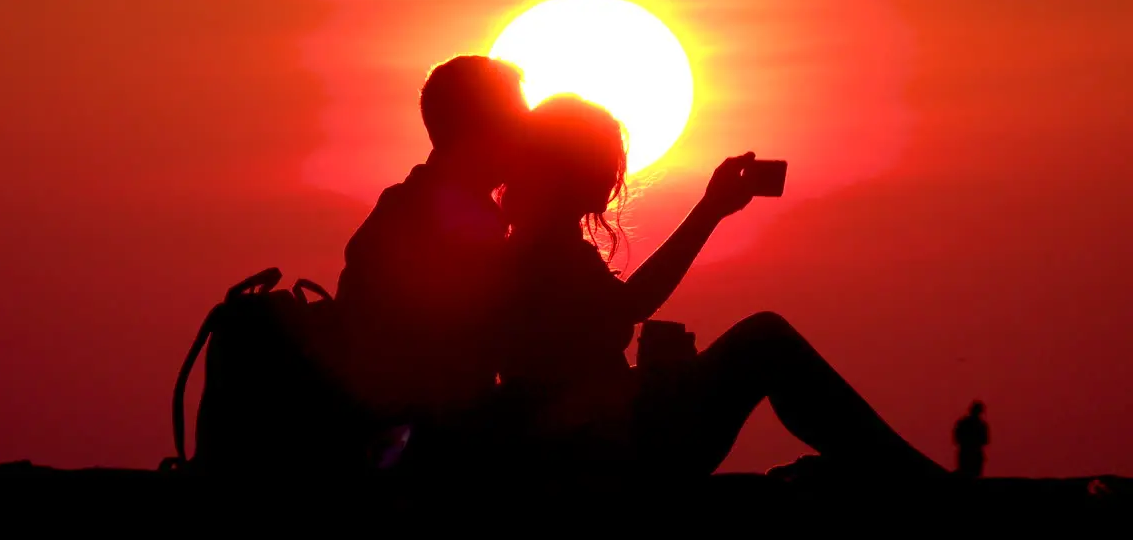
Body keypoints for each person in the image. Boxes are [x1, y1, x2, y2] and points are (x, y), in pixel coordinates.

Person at [493, 93, 949, 480]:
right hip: (620, 450)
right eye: (603, 159)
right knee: (764, 340)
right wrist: (709, 210)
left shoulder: (537, 241)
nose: (613, 175)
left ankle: (890, 466)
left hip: (612, 435)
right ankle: (911, 475)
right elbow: (629, 306)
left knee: (764, 342)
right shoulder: (546, 248)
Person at [326, 54, 530, 469]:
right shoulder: (457, 222)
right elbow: (461, 361)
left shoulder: (403, 204)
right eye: (515, 121)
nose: (524, 136)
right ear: (482, 128)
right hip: (418, 447)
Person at [953, 401, 989, 478]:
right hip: (970, 454)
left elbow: (957, 438)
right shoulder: (981, 425)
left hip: (968, 454)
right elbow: (985, 441)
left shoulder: (963, 423)